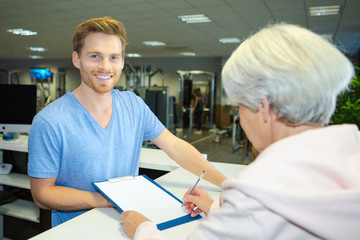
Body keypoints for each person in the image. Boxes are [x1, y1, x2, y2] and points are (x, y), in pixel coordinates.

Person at [120, 23, 360, 239]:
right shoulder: (351, 157)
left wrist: (143, 230)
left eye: (240, 106)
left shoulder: (258, 190)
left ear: (264, 107)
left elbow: (257, 215)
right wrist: (218, 209)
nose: (241, 119)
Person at [27, 16, 226, 228]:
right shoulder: (49, 121)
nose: (105, 66)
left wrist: (227, 185)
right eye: (95, 56)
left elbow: (176, 148)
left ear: (122, 61)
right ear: (77, 59)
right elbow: (42, 194)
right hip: (78, 229)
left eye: (114, 57)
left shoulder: (133, 105)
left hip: (130, 225)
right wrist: (106, 200)